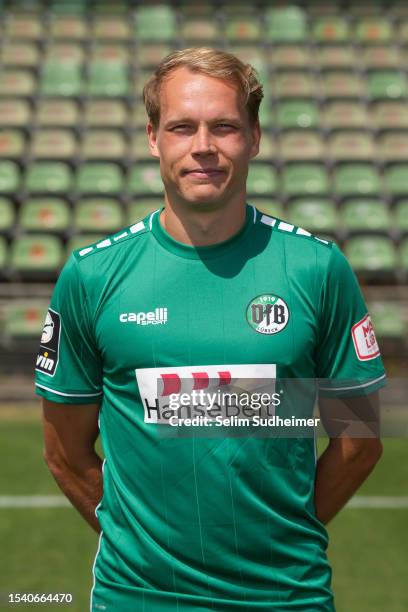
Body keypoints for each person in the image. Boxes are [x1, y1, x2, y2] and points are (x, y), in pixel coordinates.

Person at [35, 48, 386, 612]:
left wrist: (279, 538)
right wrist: (143, 549)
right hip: (137, 598)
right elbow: (65, 452)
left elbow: (359, 441)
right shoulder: (91, 275)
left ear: (254, 137)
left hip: (285, 595)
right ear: (154, 137)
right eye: (182, 127)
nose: (203, 146)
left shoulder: (317, 268)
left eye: (223, 126)